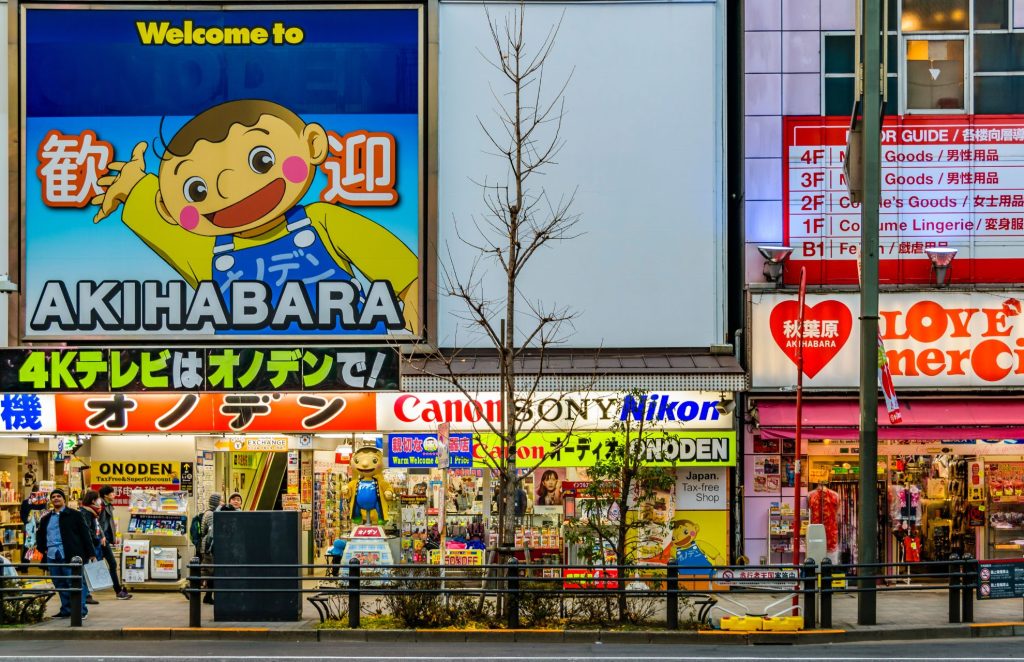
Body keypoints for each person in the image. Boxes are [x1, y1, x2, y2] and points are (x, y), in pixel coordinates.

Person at [91, 99, 419, 335]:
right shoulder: (206, 253)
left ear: (313, 146)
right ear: (169, 208)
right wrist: (132, 186)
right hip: (248, 371)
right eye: (197, 190)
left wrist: (414, 307)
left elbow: (399, 269)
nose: (230, 186)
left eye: (261, 159)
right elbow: (154, 217)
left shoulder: (323, 221)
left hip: (355, 367)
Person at [35, 489, 97, 619]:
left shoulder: (75, 515)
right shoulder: (46, 518)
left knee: (75, 583)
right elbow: (40, 535)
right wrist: (43, 549)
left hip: (71, 555)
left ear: (64, 499)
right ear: (51, 500)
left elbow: (85, 534)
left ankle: (80, 611)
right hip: (52, 555)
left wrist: (91, 553)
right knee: (59, 583)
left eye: (59, 496)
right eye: (53, 497)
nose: (56, 498)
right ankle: (67, 609)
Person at [94, 487, 132, 600]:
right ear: (106, 495)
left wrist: (113, 538)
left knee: (112, 564)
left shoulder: (108, 506)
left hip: (104, 541)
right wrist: (101, 536)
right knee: (95, 566)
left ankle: (118, 591)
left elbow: (108, 524)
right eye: (112, 493)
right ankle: (86, 594)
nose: (114, 495)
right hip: (99, 541)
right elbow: (98, 524)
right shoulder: (101, 506)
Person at [199, 493, 222, 604]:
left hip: (207, 546)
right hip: (209, 546)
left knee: (210, 572)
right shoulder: (212, 515)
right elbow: (212, 532)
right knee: (208, 571)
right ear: (216, 502)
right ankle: (187, 587)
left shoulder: (207, 512)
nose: (222, 503)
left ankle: (208, 596)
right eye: (221, 501)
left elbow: (203, 531)